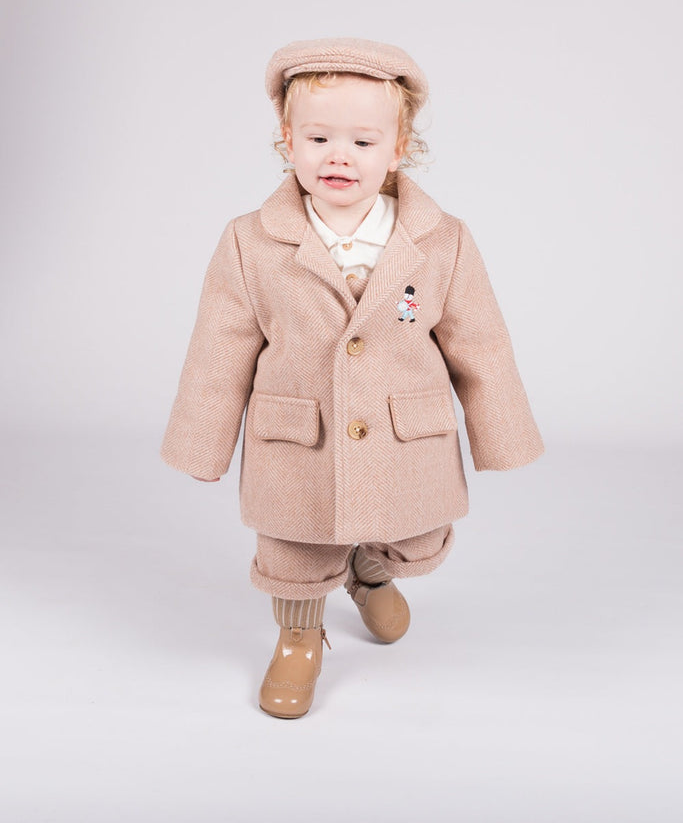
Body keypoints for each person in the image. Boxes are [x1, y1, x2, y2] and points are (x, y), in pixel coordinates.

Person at [161, 37, 544, 719]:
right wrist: (201, 444)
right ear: (287, 142)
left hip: (405, 435)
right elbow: (219, 350)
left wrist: (503, 436)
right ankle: (298, 639)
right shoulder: (250, 242)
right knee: (296, 548)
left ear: (398, 150)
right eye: (318, 138)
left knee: (413, 533)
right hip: (297, 439)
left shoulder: (442, 240)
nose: (339, 156)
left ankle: (369, 570)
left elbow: (479, 343)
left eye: (363, 142)